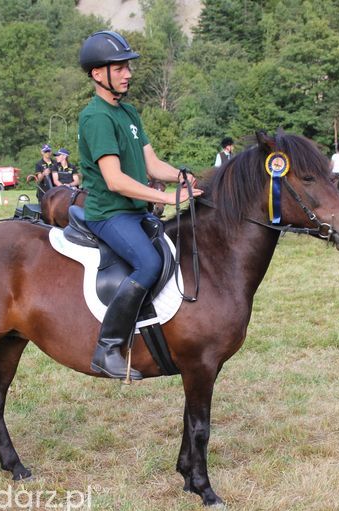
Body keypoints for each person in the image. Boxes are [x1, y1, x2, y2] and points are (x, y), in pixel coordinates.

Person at [78, 30, 202, 380]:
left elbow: (151, 164)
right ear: (97, 74)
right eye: (119, 68)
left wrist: (184, 178)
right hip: (109, 213)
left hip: (134, 212)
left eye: (128, 67)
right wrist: (167, 198)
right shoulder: (96, 117)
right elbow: (115, 180)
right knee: (149, 262)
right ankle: (108, 347)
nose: (128, 73)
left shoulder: (128, 112)